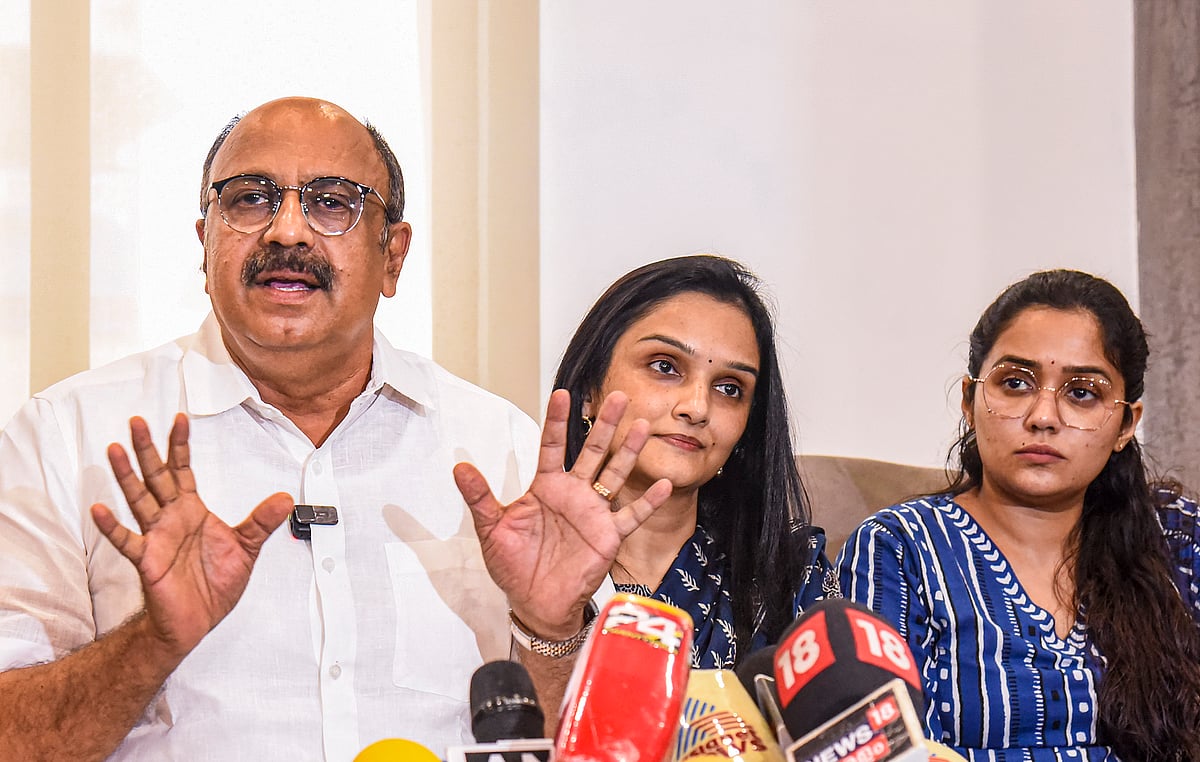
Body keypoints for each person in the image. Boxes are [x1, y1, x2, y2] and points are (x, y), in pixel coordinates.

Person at [0, 97, 545, 758]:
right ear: (205, 242)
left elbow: (595, 733)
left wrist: (554, 624)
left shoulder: (503, 448)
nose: (287, 230)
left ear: (393, 256)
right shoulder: (68, 436)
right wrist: (153, 641)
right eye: (250, 199)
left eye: (333, 201)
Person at [454, 255, 840, 723]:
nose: (697, 407)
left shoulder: (790, 574)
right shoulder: (513, 558)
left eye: (730, 388)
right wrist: (548, 627)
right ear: (590, 391)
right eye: (665, 365)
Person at [837, 270, 1200, 760]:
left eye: (1082, 393)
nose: (1043, 416)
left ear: (1125, 424)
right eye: (1015, 383)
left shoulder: (1177, 538)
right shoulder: (899, 550)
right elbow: (871, 747)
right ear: (970, 400)